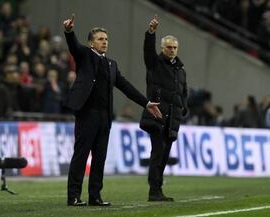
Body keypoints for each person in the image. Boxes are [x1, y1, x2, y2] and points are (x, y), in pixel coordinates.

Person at [62, 14, 162, 206]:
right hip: (87, 114)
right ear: (91, 43)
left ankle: (95, 196)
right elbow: (73, 46)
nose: (104, 42)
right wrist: (69, 31)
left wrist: (146, 103)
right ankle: (73, 196)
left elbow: (126, 87)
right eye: (100, 39)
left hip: (105, 117)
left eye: (106, 39)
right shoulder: (85, 56)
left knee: (100, 159)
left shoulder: (111, 64)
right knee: (81, 156)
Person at [140, 15, 187, 202]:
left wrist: (183, 108)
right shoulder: (155, 63)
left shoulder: (180, 70)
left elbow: (184, 92)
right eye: (169, 47)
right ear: (162, 48)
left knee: (164, 155)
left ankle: (157, 189)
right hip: (157, 116)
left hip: (171, 119)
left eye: (175, 47)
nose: (172, 50)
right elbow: (147, 51)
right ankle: (154, 191)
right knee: (158, 153)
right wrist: (150, 33)